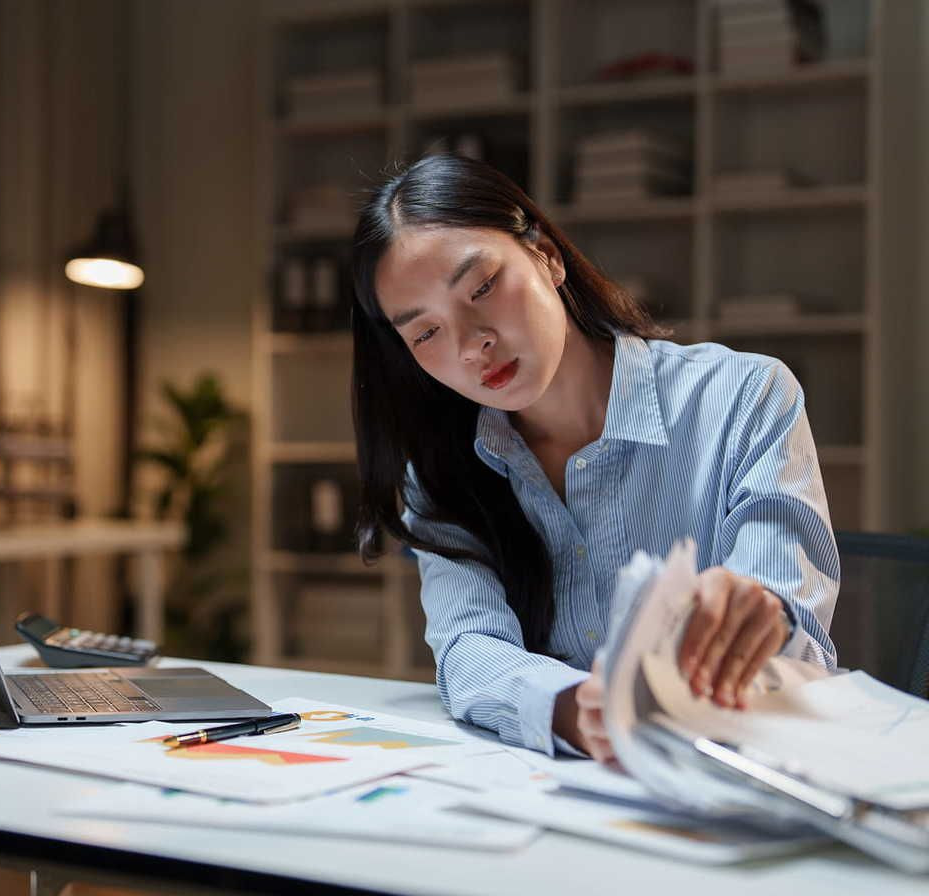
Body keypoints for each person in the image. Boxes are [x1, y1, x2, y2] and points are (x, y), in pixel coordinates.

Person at [349, 153, 838, 764]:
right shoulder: (443, 468)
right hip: (565, 795)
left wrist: (758, 612)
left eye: (481, 288)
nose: (473, 344)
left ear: (547, 256)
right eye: (425, 333)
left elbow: (792, 630)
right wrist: (575, 709)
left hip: (740, 771)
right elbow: (468, 647)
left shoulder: (745, 396)